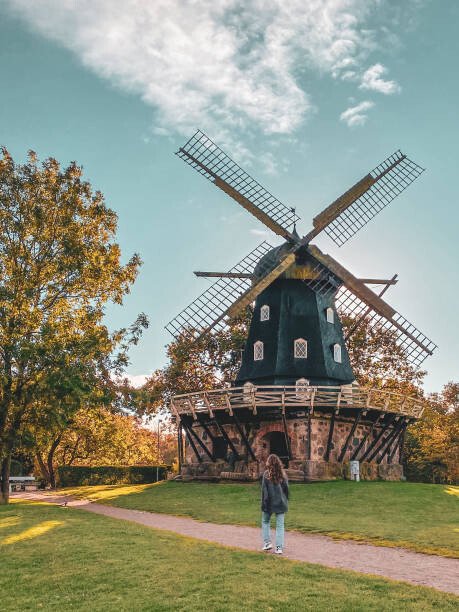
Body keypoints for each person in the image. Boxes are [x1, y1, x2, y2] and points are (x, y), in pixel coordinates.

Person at [261, 453, 289, 555]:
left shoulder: (266, 475)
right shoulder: (283, 474)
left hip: (269, 503)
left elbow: (265, 491)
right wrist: (285, 499)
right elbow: (286, 489)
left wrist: (264, 503)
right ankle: (279, 547)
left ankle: (267, 542)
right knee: (280, 526)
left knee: (265, 521)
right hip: (280, 502)